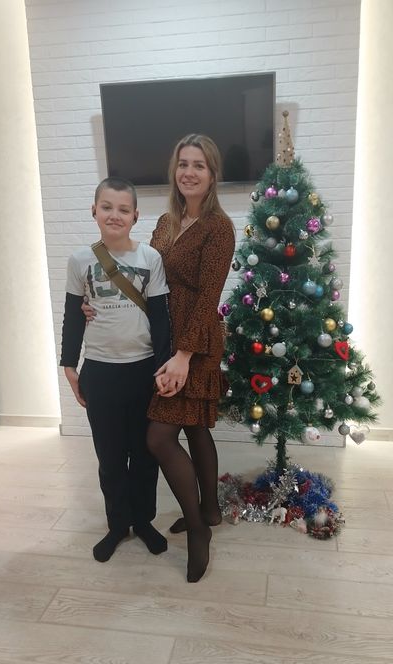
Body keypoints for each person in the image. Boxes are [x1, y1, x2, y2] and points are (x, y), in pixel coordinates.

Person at [60, 177, 171, 563]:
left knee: (144, 455)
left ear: (135, 216)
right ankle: (117, 524)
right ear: (94, 210)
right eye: (107, 207)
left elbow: (161, 319)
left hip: (143, 372)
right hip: (100, 372)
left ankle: (143, 521)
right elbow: (73, 316)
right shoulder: (80, 261)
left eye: (124, 209)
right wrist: (69, 365)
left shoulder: (150, 259)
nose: (114, 215)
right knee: (109, 458)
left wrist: (162, 368)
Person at [146, 134, 235, 582]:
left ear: (212, 174)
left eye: (199, 165)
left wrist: (183, 356)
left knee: (159, 438)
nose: (189, 172)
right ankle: (211, 510)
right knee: (196, 426)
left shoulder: (219, 227)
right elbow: (143, 275)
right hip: (166, 336)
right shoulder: (165, 222)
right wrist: (97, 303)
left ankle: (198, 528)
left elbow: (208, 298)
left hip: (195, 343)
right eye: (183, 163)